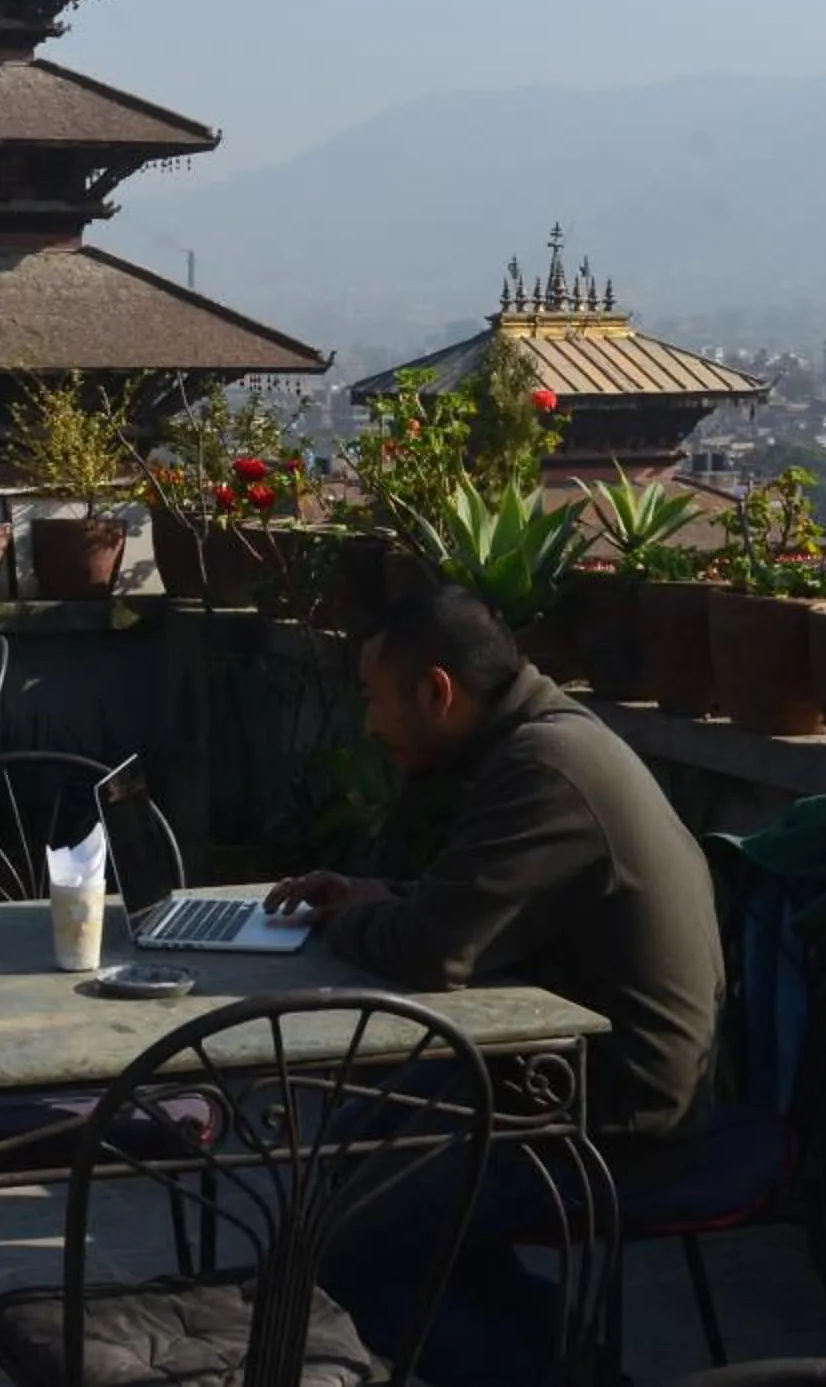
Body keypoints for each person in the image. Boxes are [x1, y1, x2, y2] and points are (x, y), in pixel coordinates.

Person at [267, 583, 723, 1387]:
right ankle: (566, 1368)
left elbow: (431, 956)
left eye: (374, 700)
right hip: (554, 1078)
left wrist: (342, 923)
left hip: (616, 1117)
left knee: (342, 1250)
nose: (369, 726)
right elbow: (465, 915)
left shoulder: (546, 767)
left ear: (437, 692)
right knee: (357, 1143)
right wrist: (386, 900)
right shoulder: (545, 742)